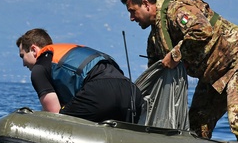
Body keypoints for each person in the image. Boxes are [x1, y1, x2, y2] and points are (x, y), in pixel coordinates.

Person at [119, 0, 238, 142]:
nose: (132, 18)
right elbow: (155, 76)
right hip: (213, 75)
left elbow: (202, 30)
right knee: (197, 126)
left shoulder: (177, 9)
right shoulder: (155, 40)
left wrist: (175, 55)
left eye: (133, 11)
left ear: (146, 4)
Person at [16, 28, 144, 123]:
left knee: (62, 122)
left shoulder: (39, 69)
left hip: (100, 91)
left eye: (23, 56)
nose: (23, 64)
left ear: (33, 50)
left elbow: (54, 114)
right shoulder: (70, 52)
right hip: (132, 92)